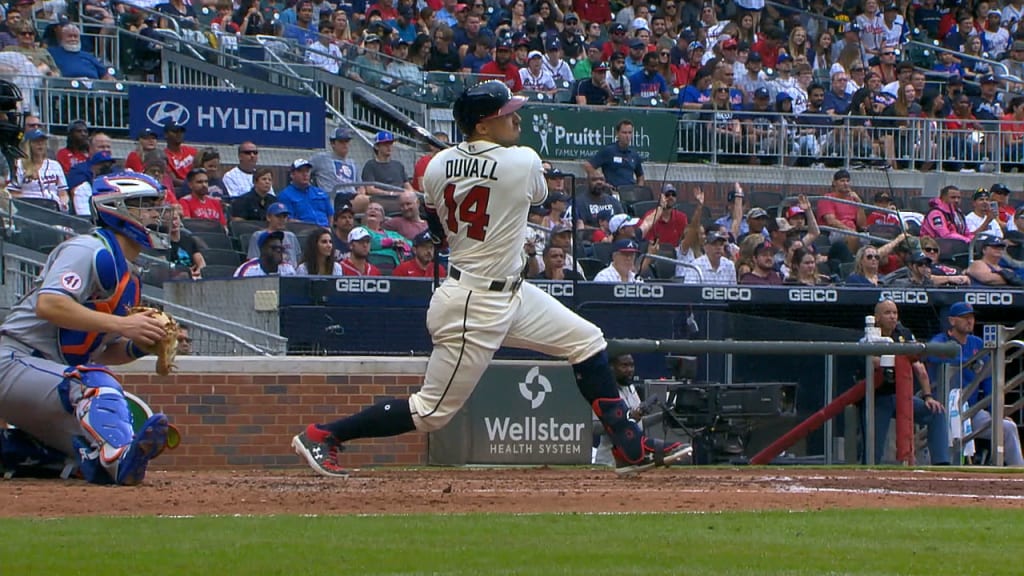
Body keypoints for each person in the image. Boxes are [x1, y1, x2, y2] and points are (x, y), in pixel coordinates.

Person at [292, 81, 687, 477]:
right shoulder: (523, 161)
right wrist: (524, 172)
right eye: (506, 114)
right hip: (474, 303)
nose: (516, 118)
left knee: (587, 341)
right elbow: (532, 193)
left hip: (511, 291)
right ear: (482, 126)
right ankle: (324, 434)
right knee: (431, 412)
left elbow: (439, 227)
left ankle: (628, 447)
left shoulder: (436, 168)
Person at [0, 173, 174, 485]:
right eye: (146, 205)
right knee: (94, 382)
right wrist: (124, 324)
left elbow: (102, 351)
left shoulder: (129, 277)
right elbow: (50, 304)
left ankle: (22, 452)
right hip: (11, 357)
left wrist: (141, 343)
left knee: (83, 451)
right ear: (117, 208)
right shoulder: (88, 249)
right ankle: (119, 458)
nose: (155, 214)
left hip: (45, 374)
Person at [929, 302, 1024, 466]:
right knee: (935, 450)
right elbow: (931, 354)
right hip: (942, 411)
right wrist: (967, 361)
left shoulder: (977, 344)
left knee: (1007, 427)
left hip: (971, 411)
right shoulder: (941, 340)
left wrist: (996, 411)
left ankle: (1019, 473)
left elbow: (988, 379)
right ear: (952, 321)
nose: (970, 321)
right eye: (965, 317)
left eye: (971, 317)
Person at [862, 299, 949, 465]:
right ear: (877, 317)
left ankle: (942, 463)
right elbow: (872, 362)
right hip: (876, 397)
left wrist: (928, 396)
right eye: (888, 313)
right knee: (873, 452)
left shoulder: (903, 334)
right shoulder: (870, 334)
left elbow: (920, 368)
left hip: (902, 395)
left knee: (936, 411)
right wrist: (896, 360)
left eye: (895, 313)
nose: (893, 317)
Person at [592, 354, 645, 466]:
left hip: (631, 460)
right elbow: (595, 427)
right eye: (624, 366)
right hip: (608, 462)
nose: (630, 370)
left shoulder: (630, 388)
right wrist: (627, 418)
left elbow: (638, 423)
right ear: (611, 367)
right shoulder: (603, 392)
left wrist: (662, 416)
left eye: (632, 365)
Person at [582, 119, 645, 188]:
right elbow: (588, 166)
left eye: (629, 133)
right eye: (624, 133)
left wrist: (639, 189)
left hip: (630, 192)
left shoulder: (634, 154)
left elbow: (640, 175)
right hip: (613, 191)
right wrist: (601, 181)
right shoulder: (609, 151)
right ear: (617, 134)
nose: (627, 136)